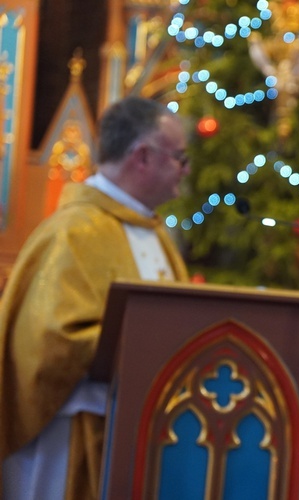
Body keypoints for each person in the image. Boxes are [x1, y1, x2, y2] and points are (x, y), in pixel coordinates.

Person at [0, 96, 191, 499]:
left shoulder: (155, 234)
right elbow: (48, 343)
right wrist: (151, 350)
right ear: (143, 157)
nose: (184, 171)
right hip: (71, 437)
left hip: (138, 429)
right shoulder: (73, 233)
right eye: (179, 158)